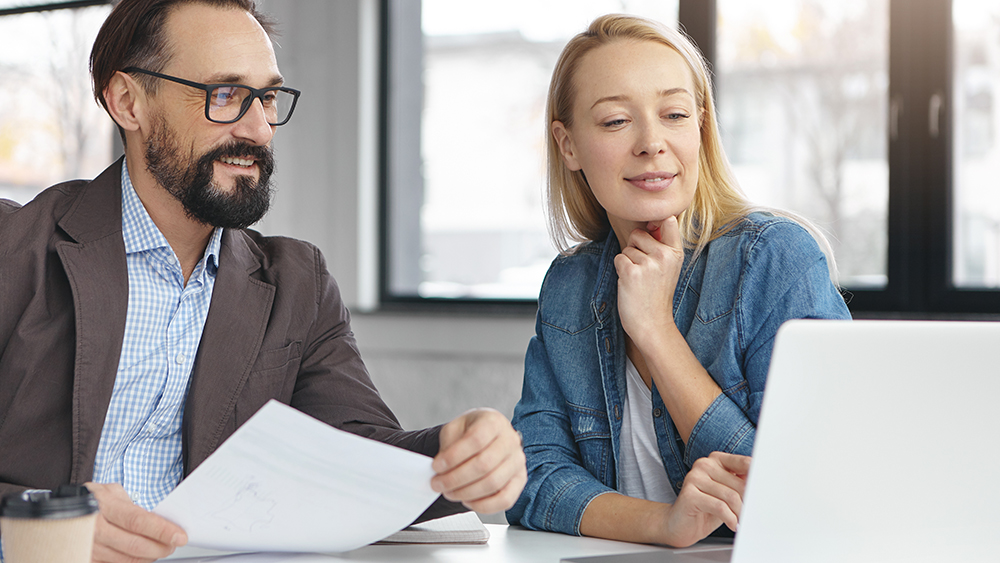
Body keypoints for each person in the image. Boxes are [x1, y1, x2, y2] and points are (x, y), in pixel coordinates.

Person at [0, 1, 525, 561]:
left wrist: (458, 451)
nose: (258, 129)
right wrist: (42, 522)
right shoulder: (15, 250)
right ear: (128, 102)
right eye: (224, 95)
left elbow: (360, 455)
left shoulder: (299, 284)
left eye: (268, 97)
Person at [505, 14, 851, 548]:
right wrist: (665, 525)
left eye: (674, 113)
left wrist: (657, 332)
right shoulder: (569, 288)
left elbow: (813, 496)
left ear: (701, 127)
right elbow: (531, 479)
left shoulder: (773, 260)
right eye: (617, 121)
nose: (652, 142)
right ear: (568, 144)